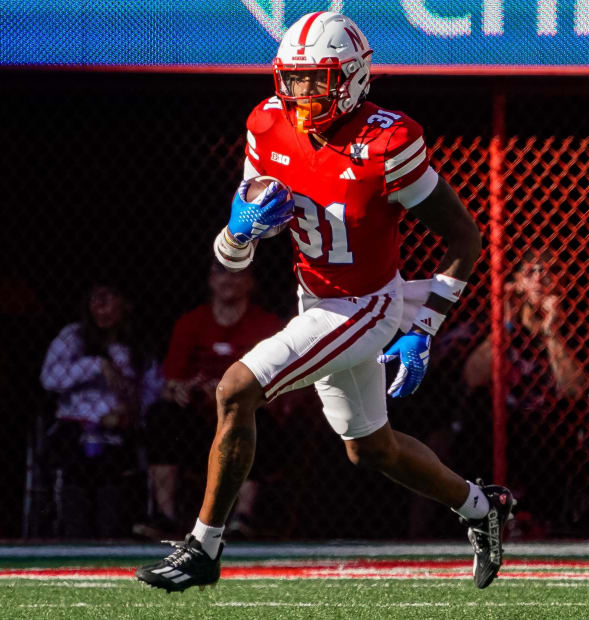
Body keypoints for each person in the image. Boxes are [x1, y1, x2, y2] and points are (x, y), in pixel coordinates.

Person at [137, 12, 513, 592]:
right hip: (313, 299)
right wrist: (238, 233)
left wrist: (426, 326)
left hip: (366, 305)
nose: (303, 94)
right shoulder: (267, 125)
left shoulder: (390, 141)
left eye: (318, 79)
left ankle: (203, 547)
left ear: (356, 76)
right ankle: (480, 507)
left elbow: (464, 235)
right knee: (371, 449)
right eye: (295, 79)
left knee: (235, 390)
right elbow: (234, 259)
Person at [137, 262, 311, 539]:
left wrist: (230, 391)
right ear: (209, 280)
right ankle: (165, 516)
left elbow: (281, 388)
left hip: (248, 418)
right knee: (162, 416)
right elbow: (169, 383)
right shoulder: (191, 322)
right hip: (197, 426)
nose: (228, 279)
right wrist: (182, 390)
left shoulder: (268, 326)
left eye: (237, 272)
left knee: (258, 421)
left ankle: (244, 516)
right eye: (220, 271)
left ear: (251, 282)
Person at [463, 249, 586, 533]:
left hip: (551, 427)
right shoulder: (504, 326)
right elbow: (472, 377)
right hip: (503, 423)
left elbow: (576, 391)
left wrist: (552, 332)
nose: (541, 277)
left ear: (562, 284)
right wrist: (505, 322)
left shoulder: (575, 326)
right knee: (477, 416)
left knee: (559, 427)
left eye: (550, 272)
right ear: (517, 282)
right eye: (532, 272)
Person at [40, 278, 162, 538]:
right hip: (76, 424)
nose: (100, 306)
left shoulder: (137, 346)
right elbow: (50, 378)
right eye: (94, 299)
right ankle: (74, 537)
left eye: (108, 298)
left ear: (126, 304)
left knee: (116, 466)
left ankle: (112, 537)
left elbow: (154, 390)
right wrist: (97, 365)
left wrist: (131, 412)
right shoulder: (73, 336)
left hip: (121, 427)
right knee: (77, 462)